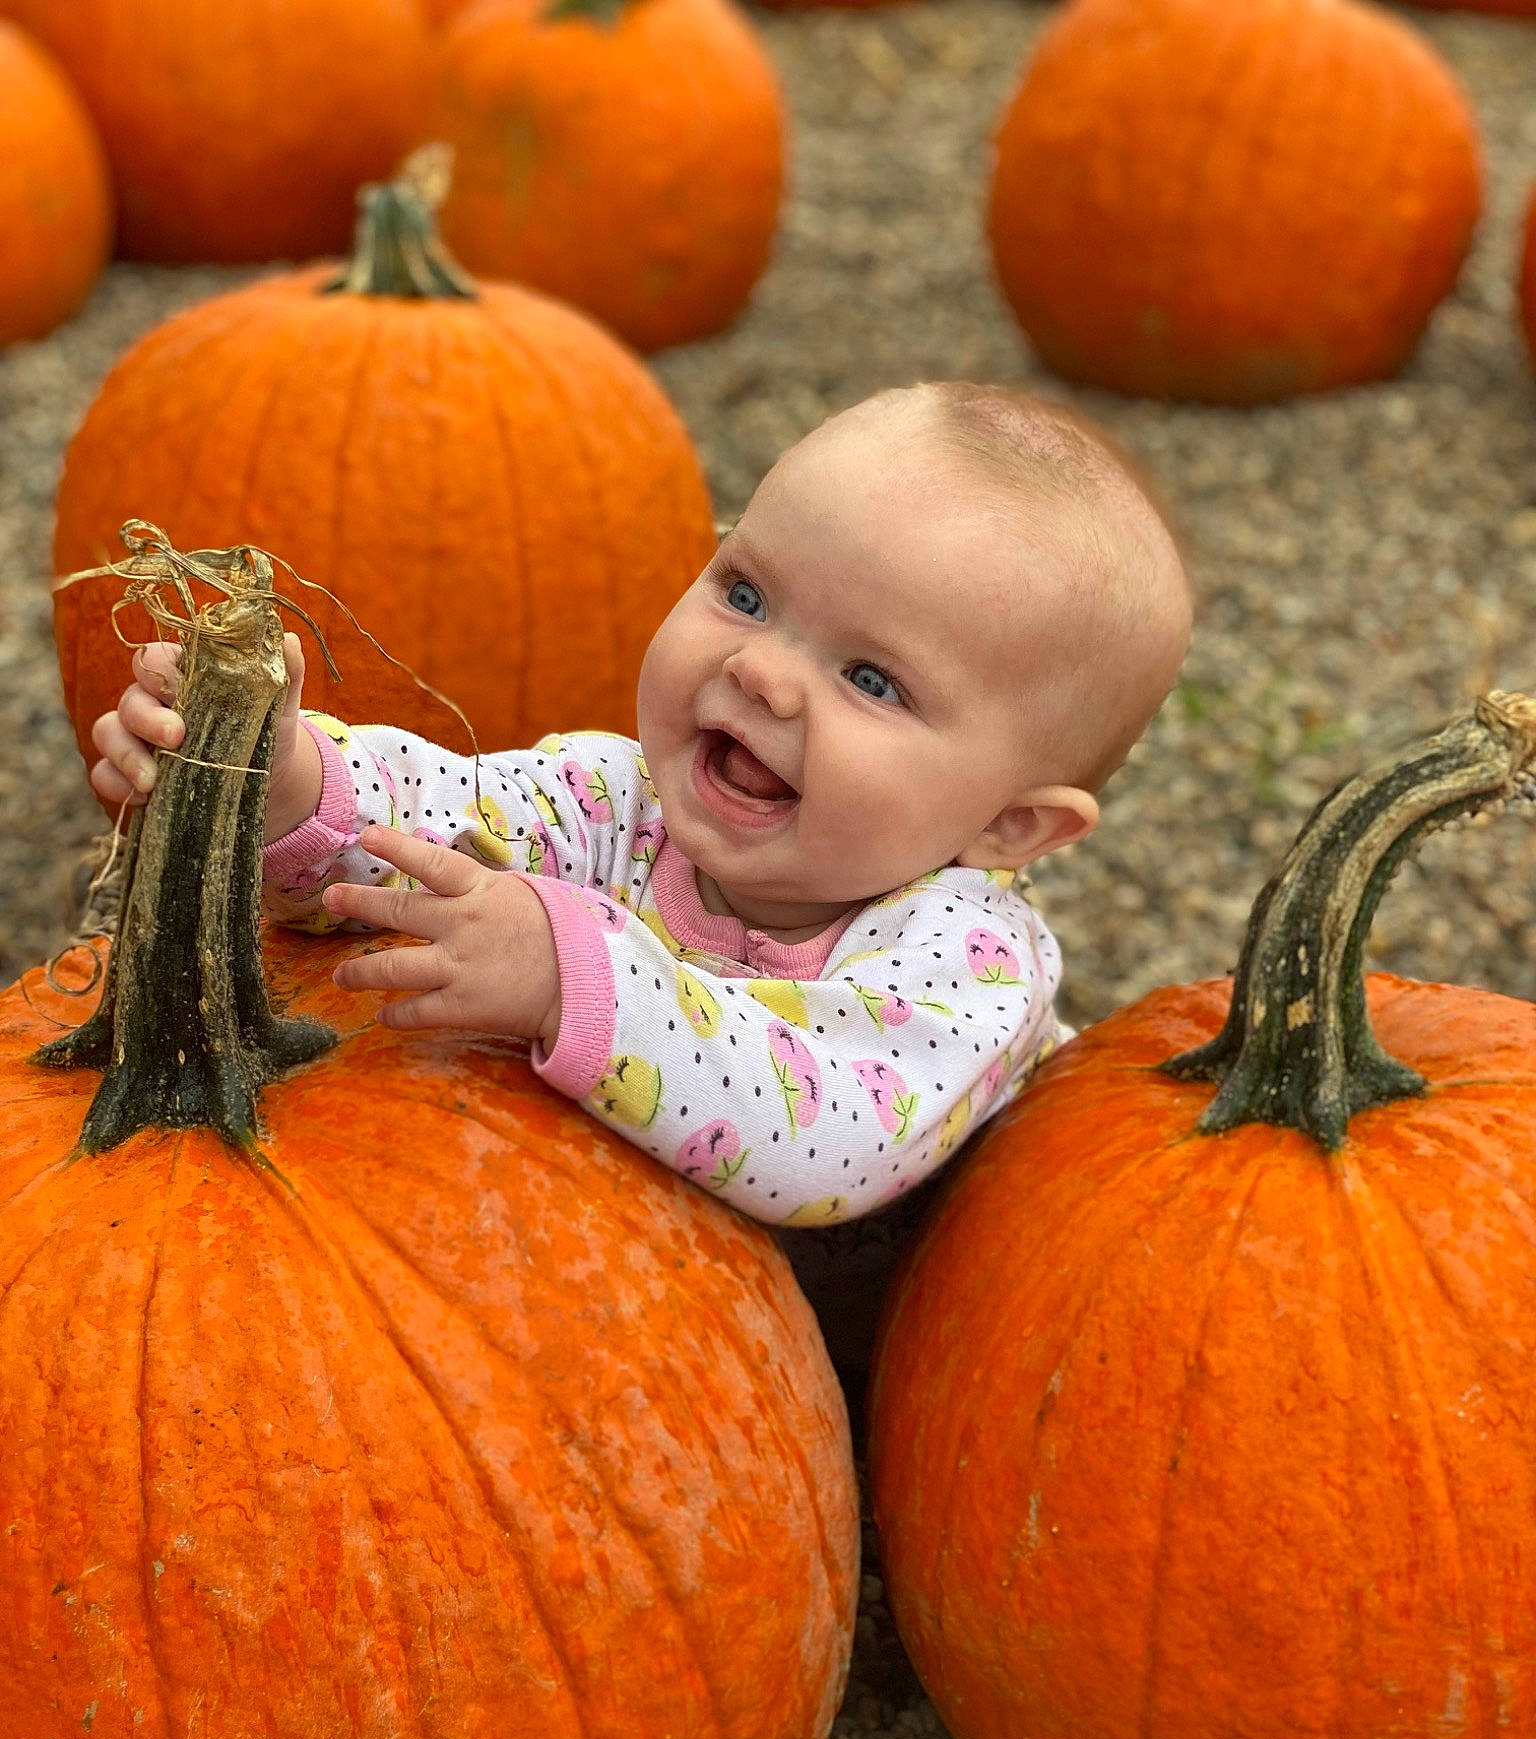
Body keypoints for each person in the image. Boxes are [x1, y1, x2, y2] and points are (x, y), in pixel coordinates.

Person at [93, 380, 1191, 1365]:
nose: (759, 670)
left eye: (871, 678)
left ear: (1009, 824)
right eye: (749, 594)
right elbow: (440, 814)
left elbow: (827, 1137)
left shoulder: (974, 965)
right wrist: (281, 781)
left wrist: (574, 974)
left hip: (901, 1387)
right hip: (652, 1325)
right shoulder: (620, 802)